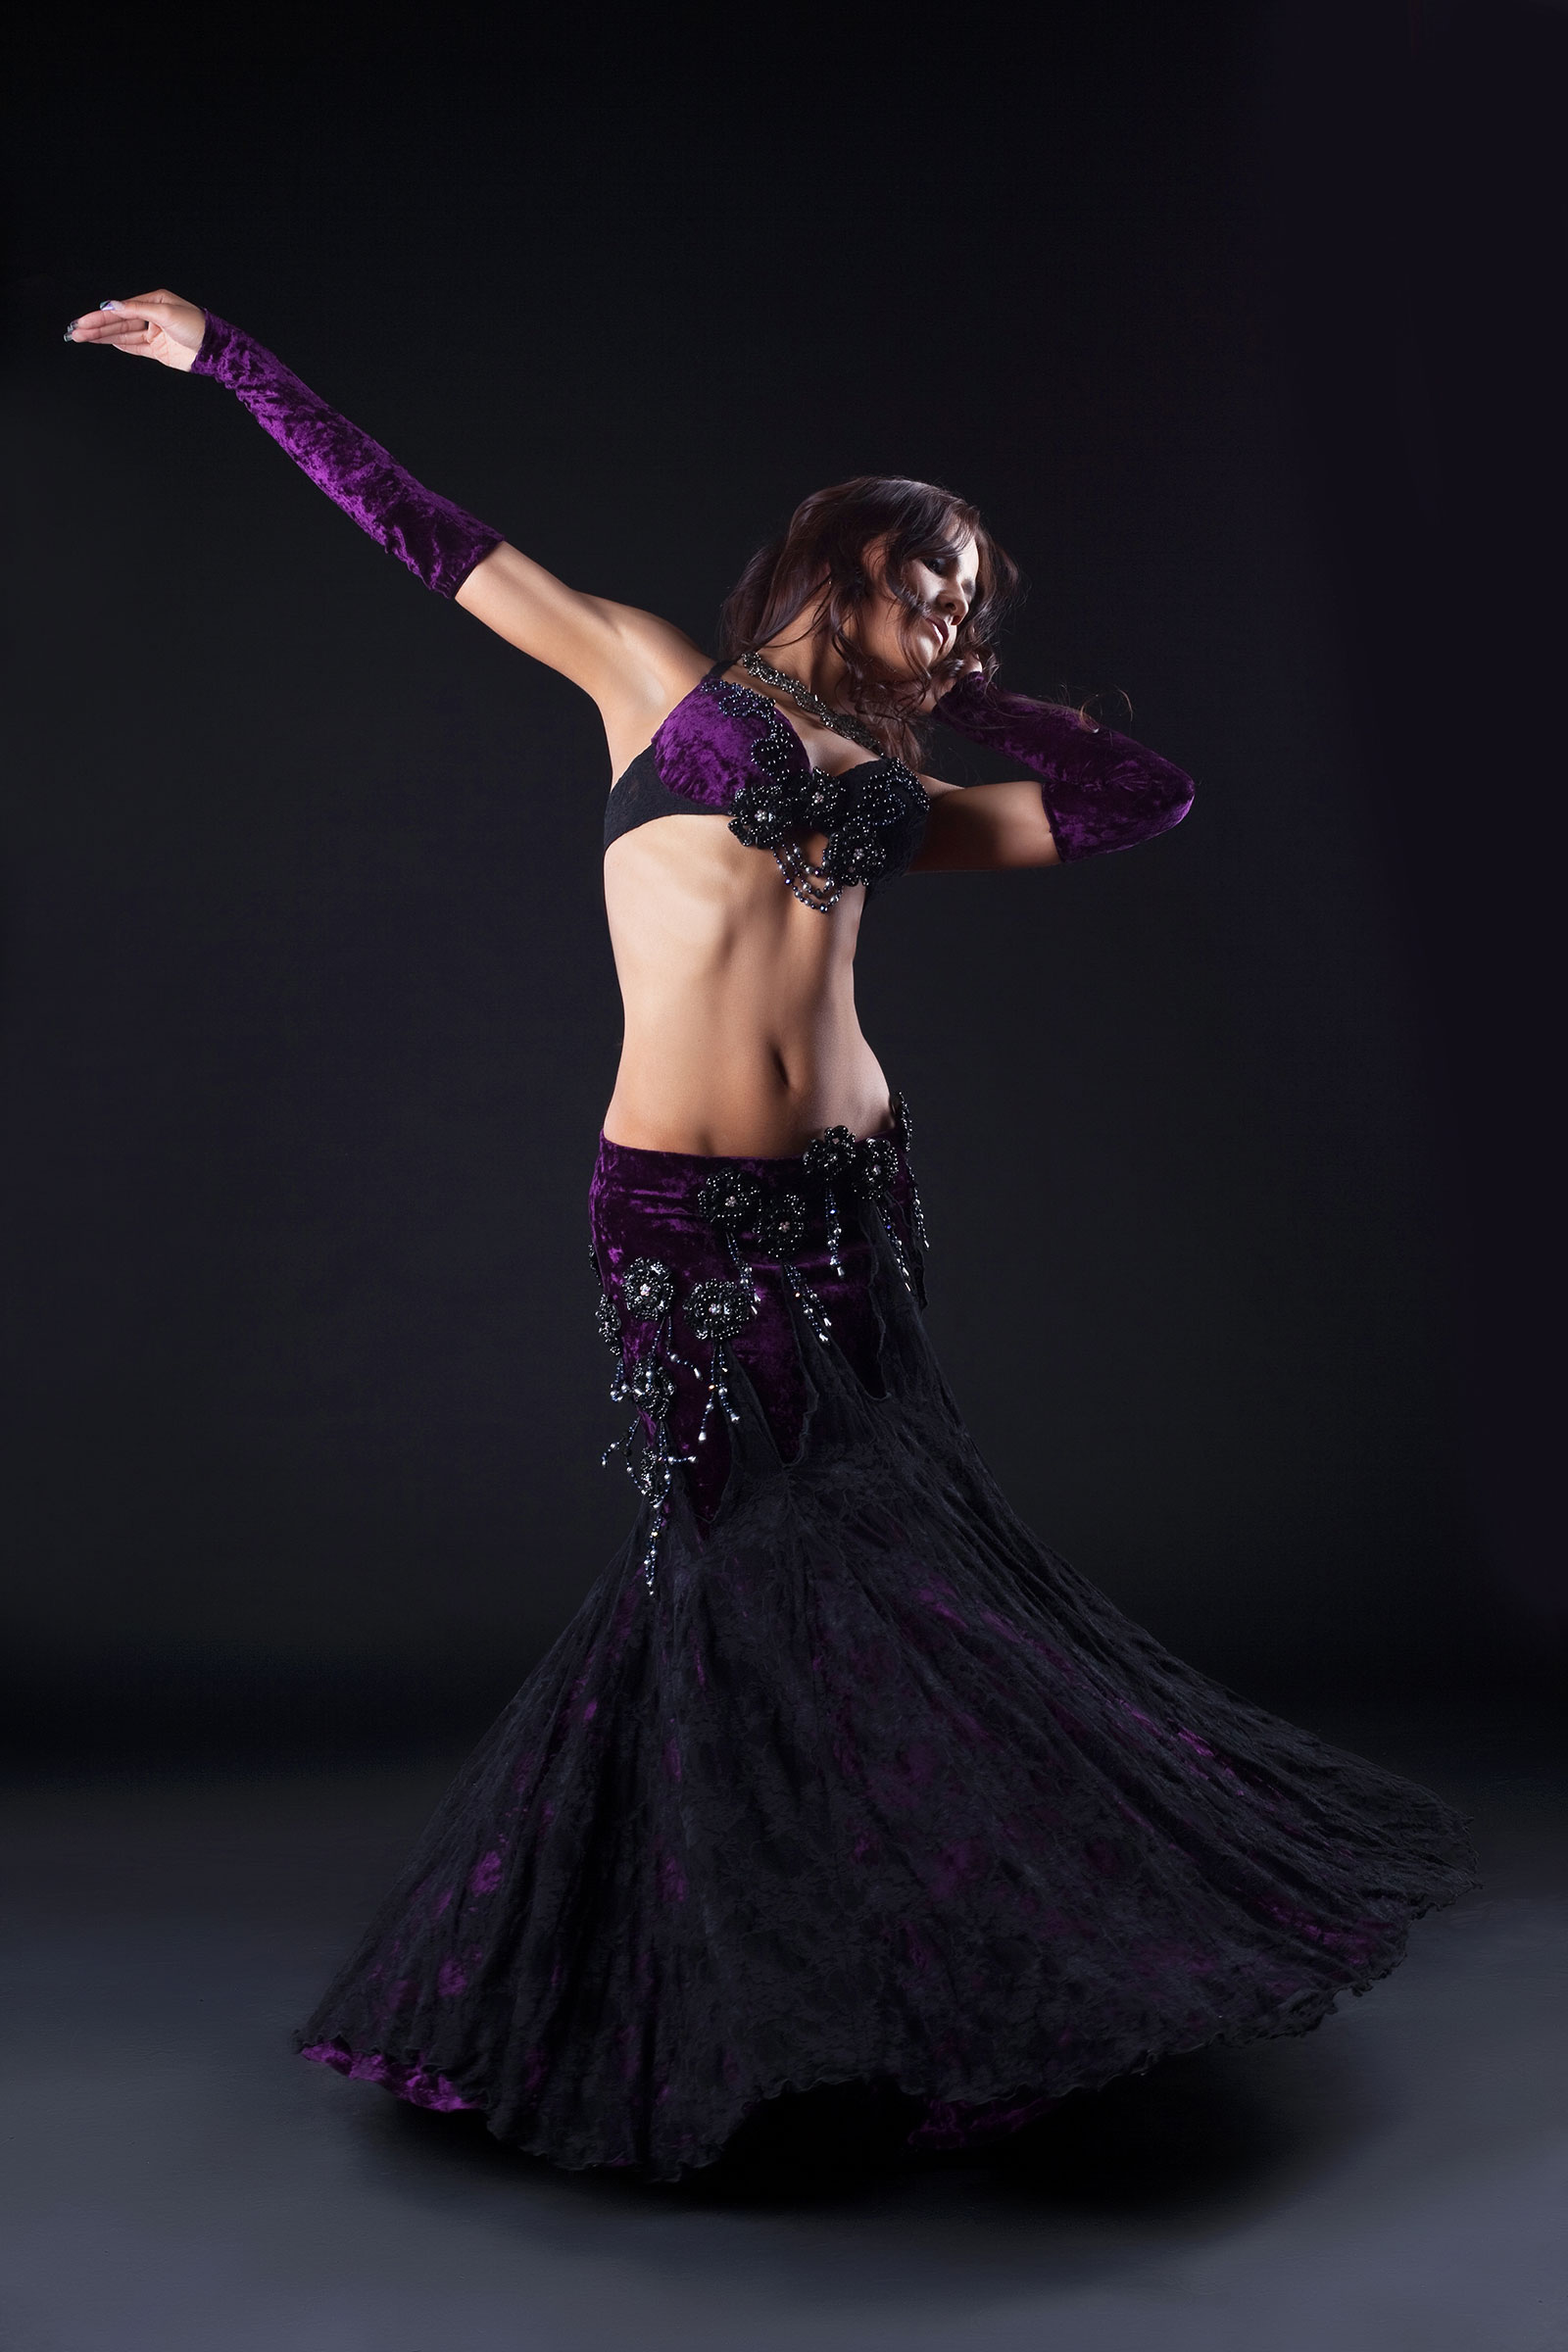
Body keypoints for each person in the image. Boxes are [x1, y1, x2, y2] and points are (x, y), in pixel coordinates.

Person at [67, 291, 1478, 2182]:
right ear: (846, 560)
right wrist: (226, 359)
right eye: (936, 589)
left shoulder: (904, 799)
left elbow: (1143, 797)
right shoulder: (655, 681)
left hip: (853, 1202)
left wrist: (964, 699)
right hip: (684, 1214)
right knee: (740, 1579)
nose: (957, 623)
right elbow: (423, 528)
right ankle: (717, 1987)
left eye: (973, 607)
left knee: (889, 1566)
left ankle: (904, 1967)